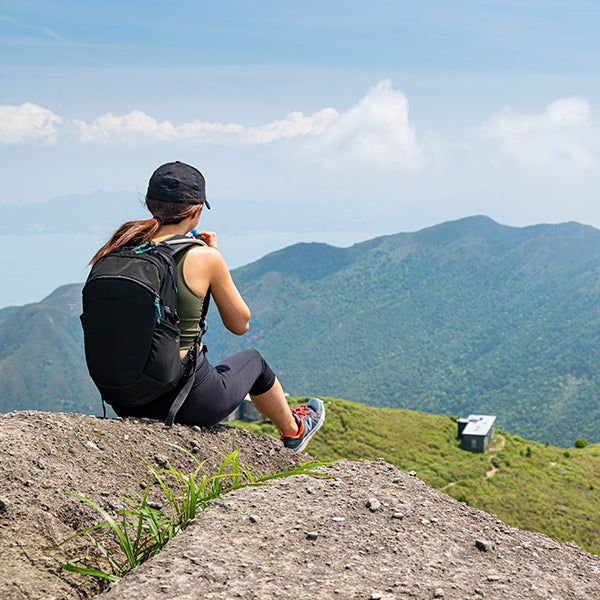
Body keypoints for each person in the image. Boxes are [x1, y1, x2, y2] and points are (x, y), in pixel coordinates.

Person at [89, 161, 324, 453]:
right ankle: (294, 431)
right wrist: (215, 256)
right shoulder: (203, 256)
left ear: (150, 204)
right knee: (254, 361)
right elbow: (240, 325)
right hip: (187, 401)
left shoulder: (119, 249)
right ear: (197, 210)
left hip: (125, 398)